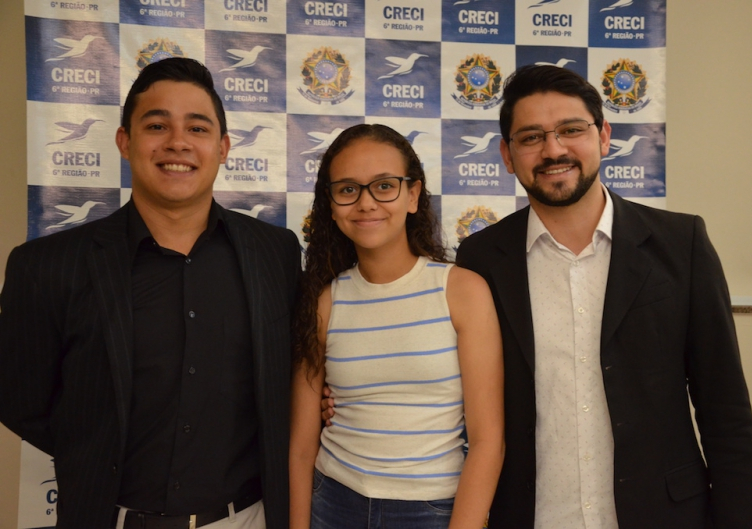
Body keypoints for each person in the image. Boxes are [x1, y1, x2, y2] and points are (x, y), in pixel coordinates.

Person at [454, 65, 752, 527]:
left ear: (603, 136)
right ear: (507, 154)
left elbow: (727, 413)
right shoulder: (480, 259)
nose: (553, 149)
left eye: (571, 130)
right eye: (531, 137)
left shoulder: (681, 244)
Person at [0, 58, 301, 529]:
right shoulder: (46, 265)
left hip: (247, 519)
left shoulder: (276, 253)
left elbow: (292, 378)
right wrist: (94, 450)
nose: (178, 142)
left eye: (197, 128)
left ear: (223, 148)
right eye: (157, 125)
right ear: (125, 141)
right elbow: (21, 401)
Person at [289, 124, 504, 529]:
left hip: (430, 511)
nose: (366, 203)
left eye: (384, 186)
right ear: (331, 205)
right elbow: (301, 447)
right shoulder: (325, 300)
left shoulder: (462, 291)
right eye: (348, 189)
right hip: (333, 502)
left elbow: (488, 441)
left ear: (413, 195)